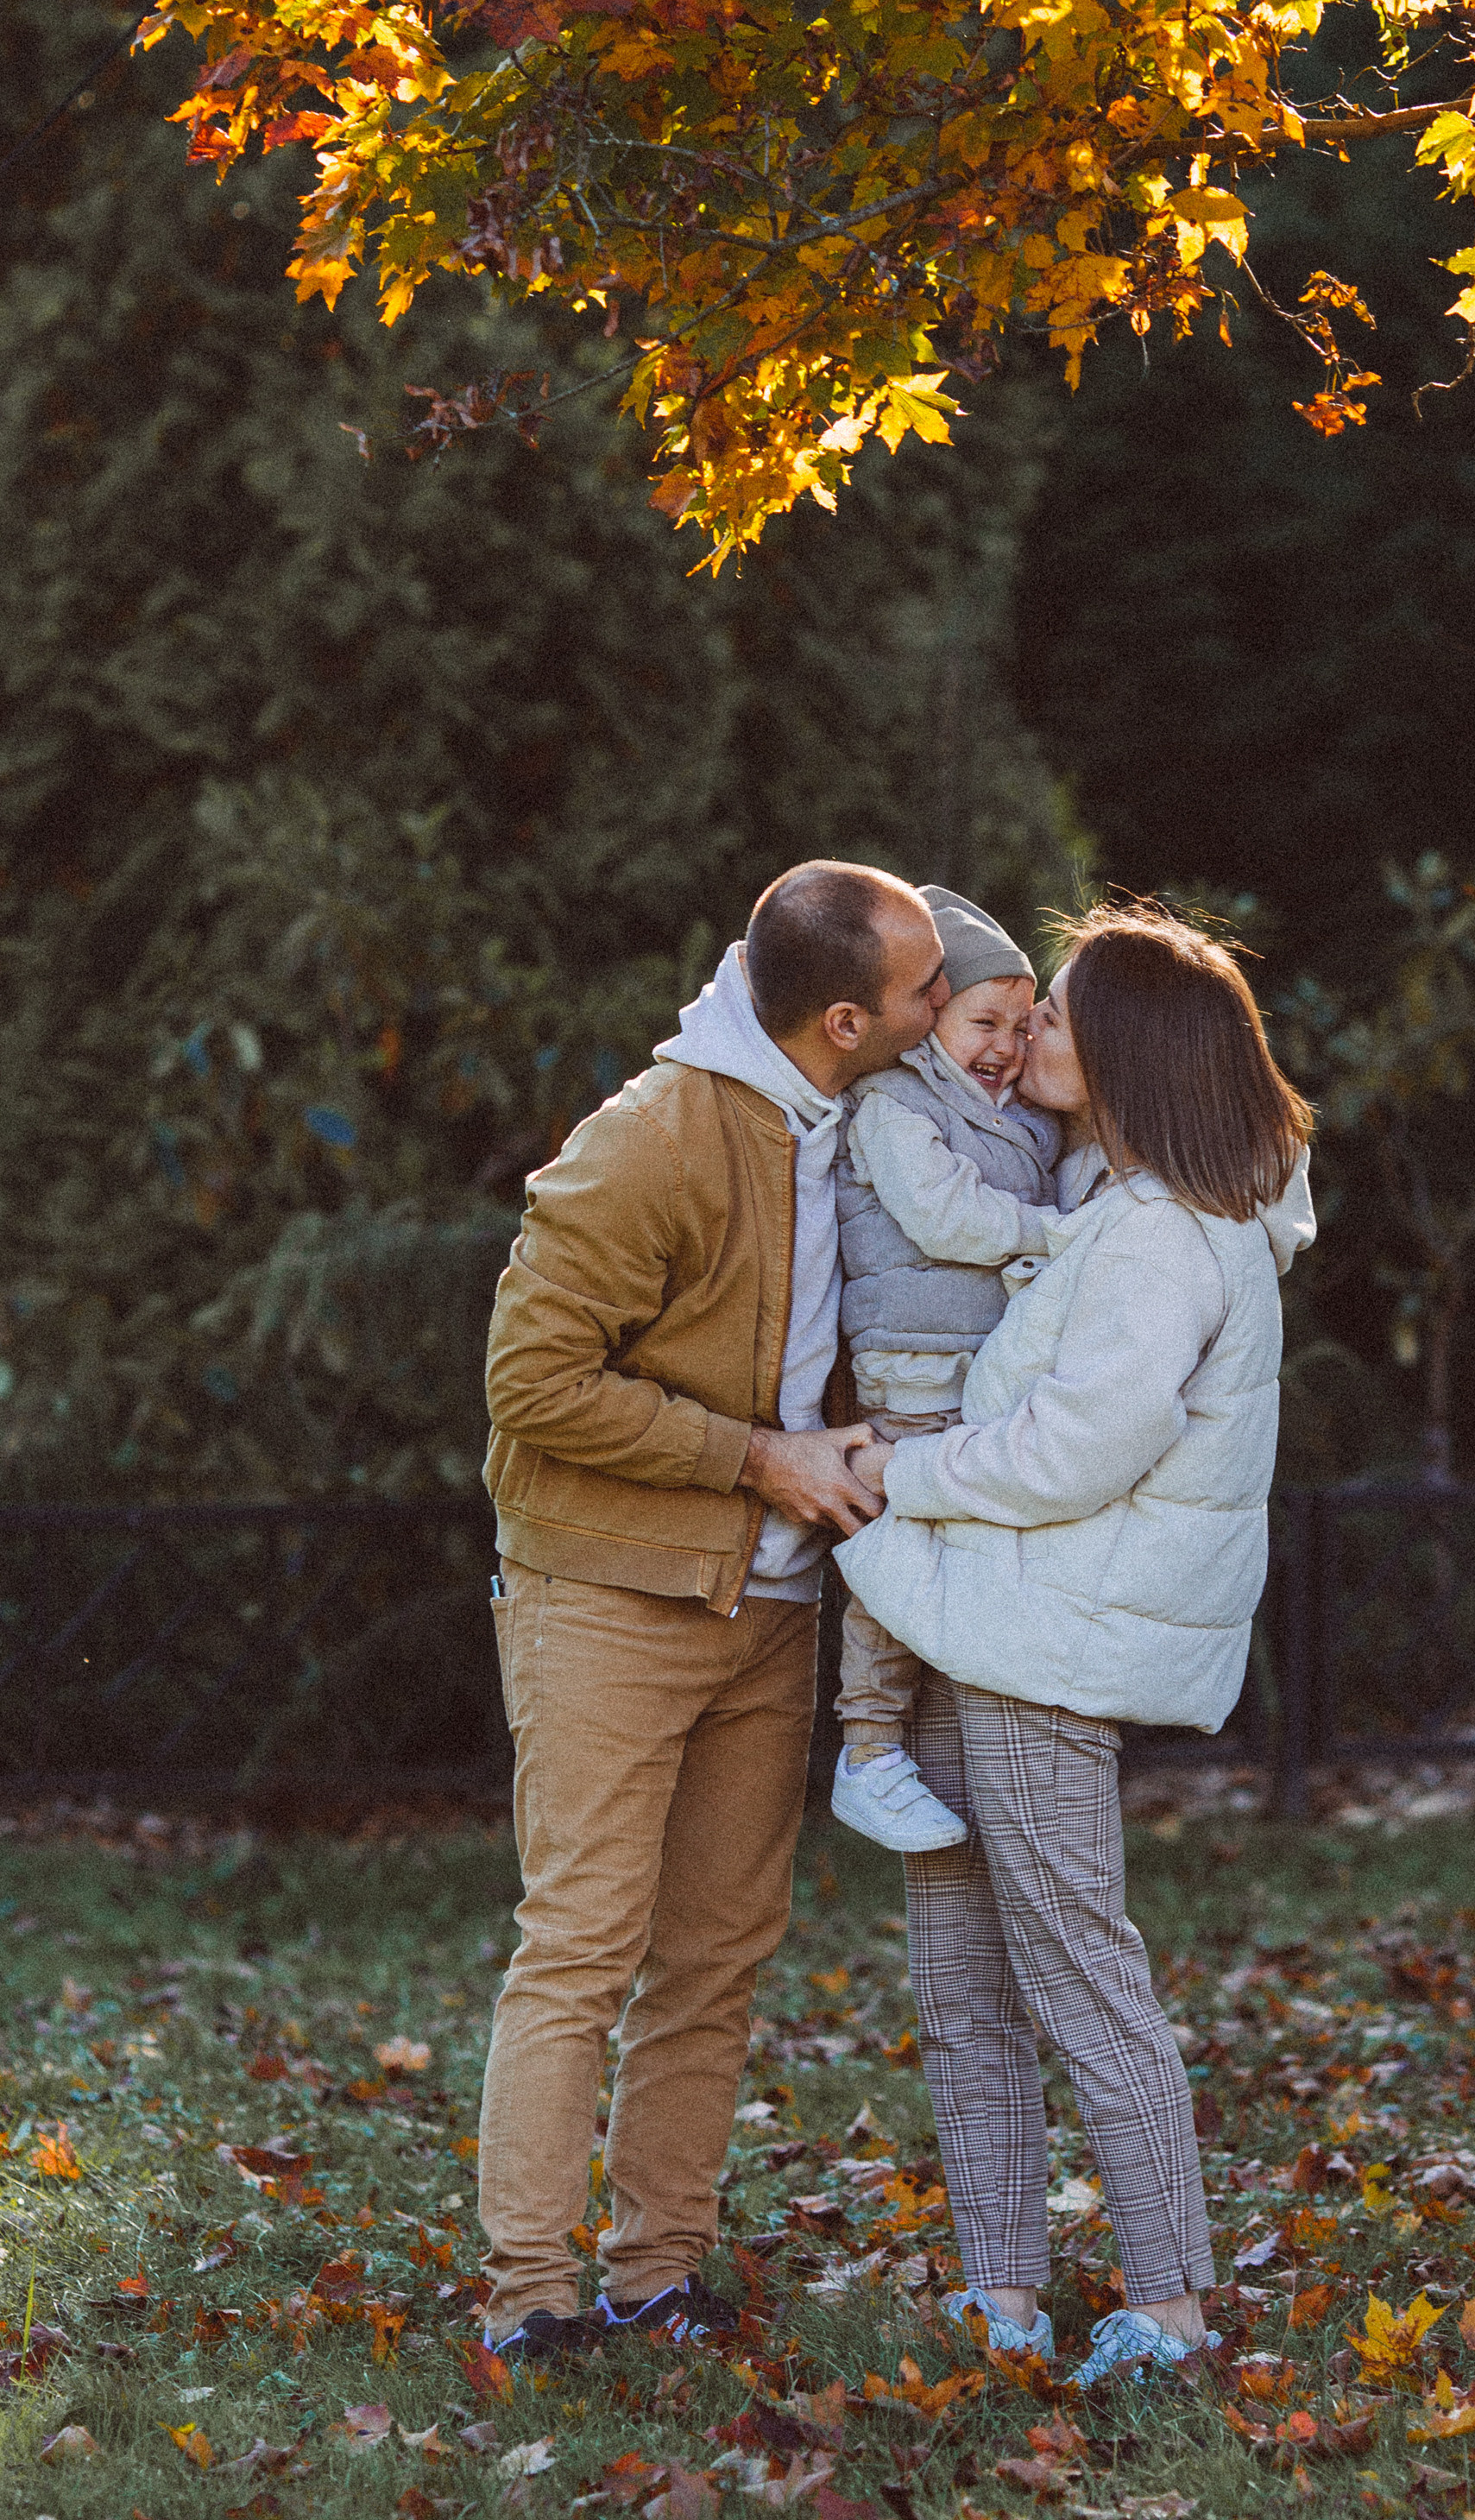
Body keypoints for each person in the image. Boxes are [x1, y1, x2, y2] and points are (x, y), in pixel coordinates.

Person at [838, 902, 1315, 2388]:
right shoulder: (1112, 1208)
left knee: (1080, 1975)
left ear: (1126, 1049)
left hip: (1046, 1645)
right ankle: (1006, 2294)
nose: (1025, 1030)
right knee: (963, 1981)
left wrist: (894, 1476)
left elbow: (1073, 1452)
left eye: (1054, 1013)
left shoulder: (1172, 1238)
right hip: (973, 1613)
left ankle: (1172, 2304)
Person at [471, 862, 942, 2368]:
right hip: (611, 1597)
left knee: (717, 1956)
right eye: (929, 989)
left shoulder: (860, 1123)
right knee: (583, 1946)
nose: (947, 1011)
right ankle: (529, 2296)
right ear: (850, 1016)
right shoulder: (654, 1137)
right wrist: (760, 1461)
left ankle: (659, 2273)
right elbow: (531, 1387)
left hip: (777, 1608)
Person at [827, 886, 1061, 1854]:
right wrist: (1056, 1236)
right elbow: (944, 1219)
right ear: (931, 1022)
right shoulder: (891, 1105)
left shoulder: (1025, 1122)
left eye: (1022, 1023)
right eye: (982, 1020)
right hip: (914, 1373)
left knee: (974, 1554)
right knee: (901, 1554)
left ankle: (968, 1730)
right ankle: (869, 1749)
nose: (1005, 1044)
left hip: (989, 1379)